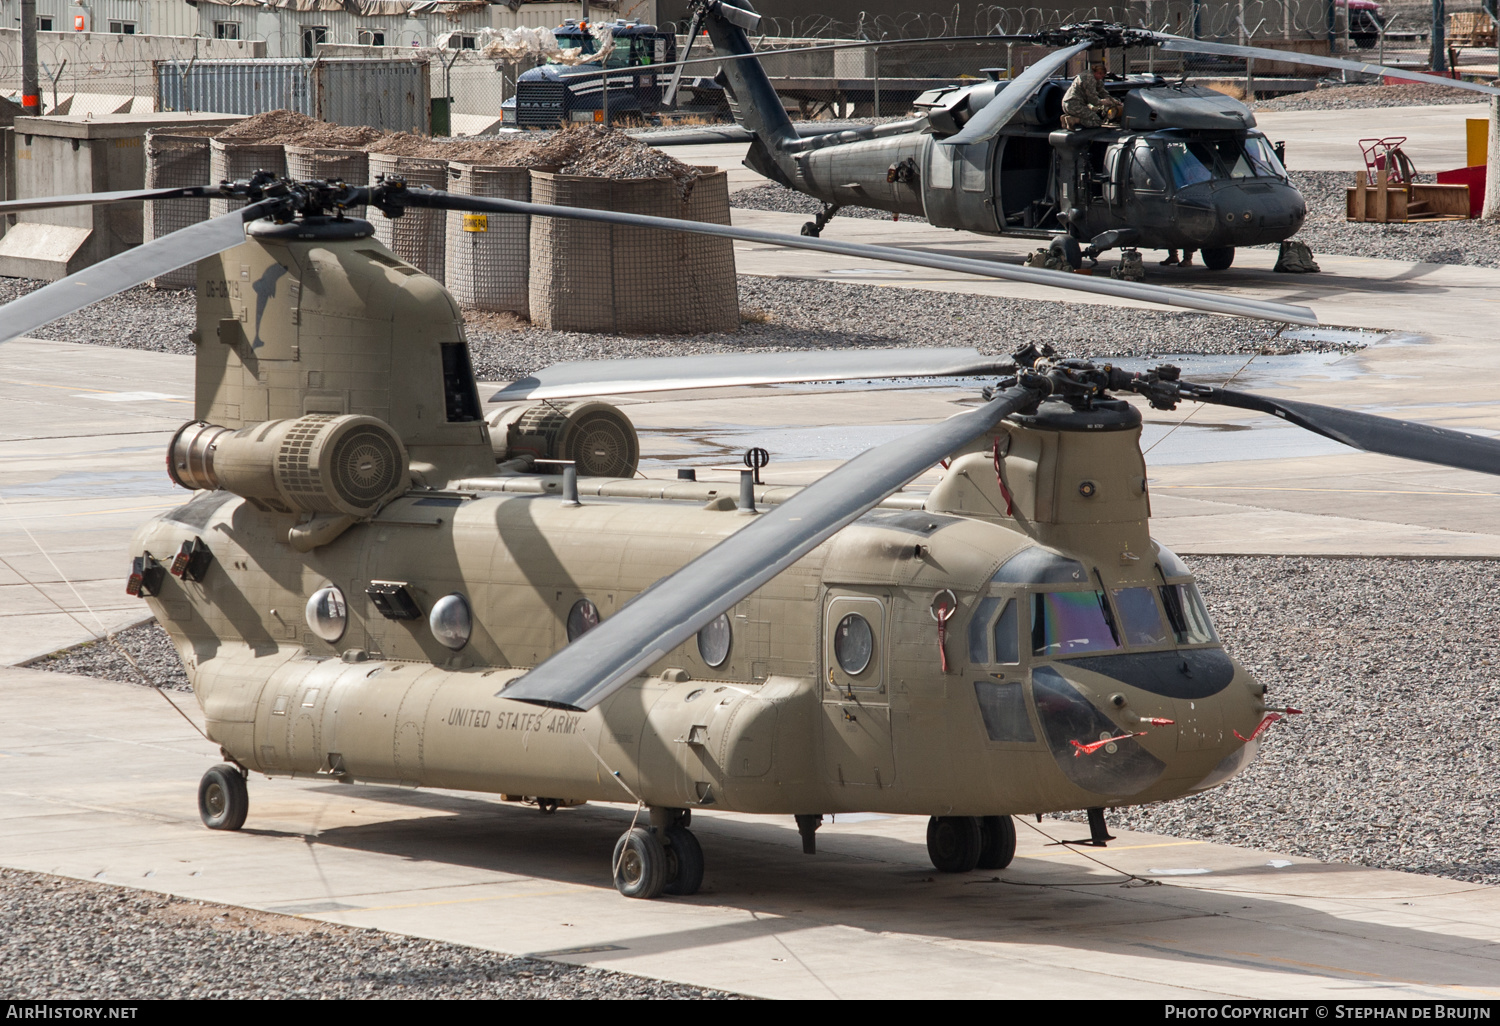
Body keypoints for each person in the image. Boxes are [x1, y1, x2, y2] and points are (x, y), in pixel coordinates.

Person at [1061, 60, 1123, 129]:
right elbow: (1093, 100)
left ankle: (1067, 118)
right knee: (1097, 121)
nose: (1101, 78)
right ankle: (1074, 120)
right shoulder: (1089, 79)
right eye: (1101, 76)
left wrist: (1113, 101)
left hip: (1067, 103)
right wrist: (1103, 102)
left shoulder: (1093, 78)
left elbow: (1102, 91)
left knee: (1089, 114)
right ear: (1098, 73)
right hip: (1075, 104)